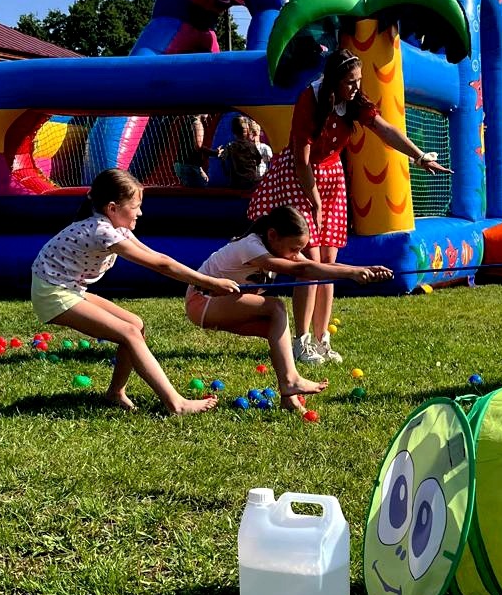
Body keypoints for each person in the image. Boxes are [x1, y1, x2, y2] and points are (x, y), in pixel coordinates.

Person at [246, 49, 447, 365]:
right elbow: (301, 159)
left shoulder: (354, 102)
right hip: (301, 175)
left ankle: (322, 338)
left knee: (329, 258)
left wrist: (419, 156)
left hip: (331, 176)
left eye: (358, 81)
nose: (356, 88)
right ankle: (301, 341)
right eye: (350, 82)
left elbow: (385, 130)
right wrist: (314, 202)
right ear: (333, 81)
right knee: (310, 260)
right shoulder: (309, 100)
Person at [30, 168, 240, 414]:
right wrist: (209, 282)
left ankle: (115, 392)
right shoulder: (101, 230)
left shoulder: (116, 228)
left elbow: (158, 256)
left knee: (135, 324)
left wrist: (205, 280)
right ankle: (177, 403)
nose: (140, 212)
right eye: (135, 206)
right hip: (53, 292)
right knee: (129, 332)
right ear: (112, 208)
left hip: (68, 287)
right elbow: (160, 265)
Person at [185, 204, 393, 411]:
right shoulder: (251, 246)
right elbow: (303, 268)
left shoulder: (277, 245)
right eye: (295, 249)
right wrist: (350, 274)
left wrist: (362, 269)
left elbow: (314, 267)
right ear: (273, 235)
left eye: (301, 249)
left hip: (218, 303)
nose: (297, 254)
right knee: (276, 308)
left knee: (276, 328)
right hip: (202, 302)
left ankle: (289, 396)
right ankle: (292, 381)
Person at [214, 115, 273, 189]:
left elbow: (223, 159)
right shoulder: (251, 146)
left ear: (234, 131)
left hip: (236, 182)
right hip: (250, 181)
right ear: (247, 130)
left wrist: (227, 172)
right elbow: (258, 160)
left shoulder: (230, 146)